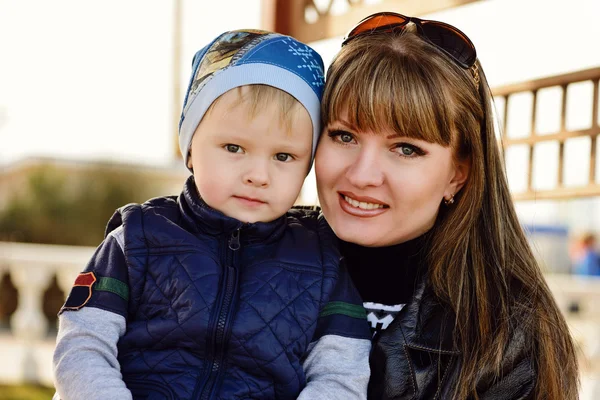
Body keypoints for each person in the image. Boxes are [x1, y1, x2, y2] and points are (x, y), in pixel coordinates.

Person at [52, 29, 371, 400]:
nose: (258, 175)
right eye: (234, 147)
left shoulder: (322, 261)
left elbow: (341, 375)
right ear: (189, 150)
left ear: (307, 165)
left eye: (283, 156)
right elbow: (83, 345)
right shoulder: (138, 238)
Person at [313, 12, 579, 399]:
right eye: (343, 135)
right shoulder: (243, 258)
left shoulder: (509, 334)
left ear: (458, 172)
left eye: (406, 148)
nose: (362, 175)